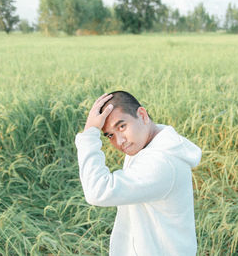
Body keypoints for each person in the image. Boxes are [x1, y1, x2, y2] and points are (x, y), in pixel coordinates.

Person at [74, 91, 202, 256]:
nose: (120, 141)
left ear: (142, 115)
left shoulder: (161, 163)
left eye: (122, 126)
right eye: (110, 135)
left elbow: (98, 191)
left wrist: (89, 134)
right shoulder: (149, 143)